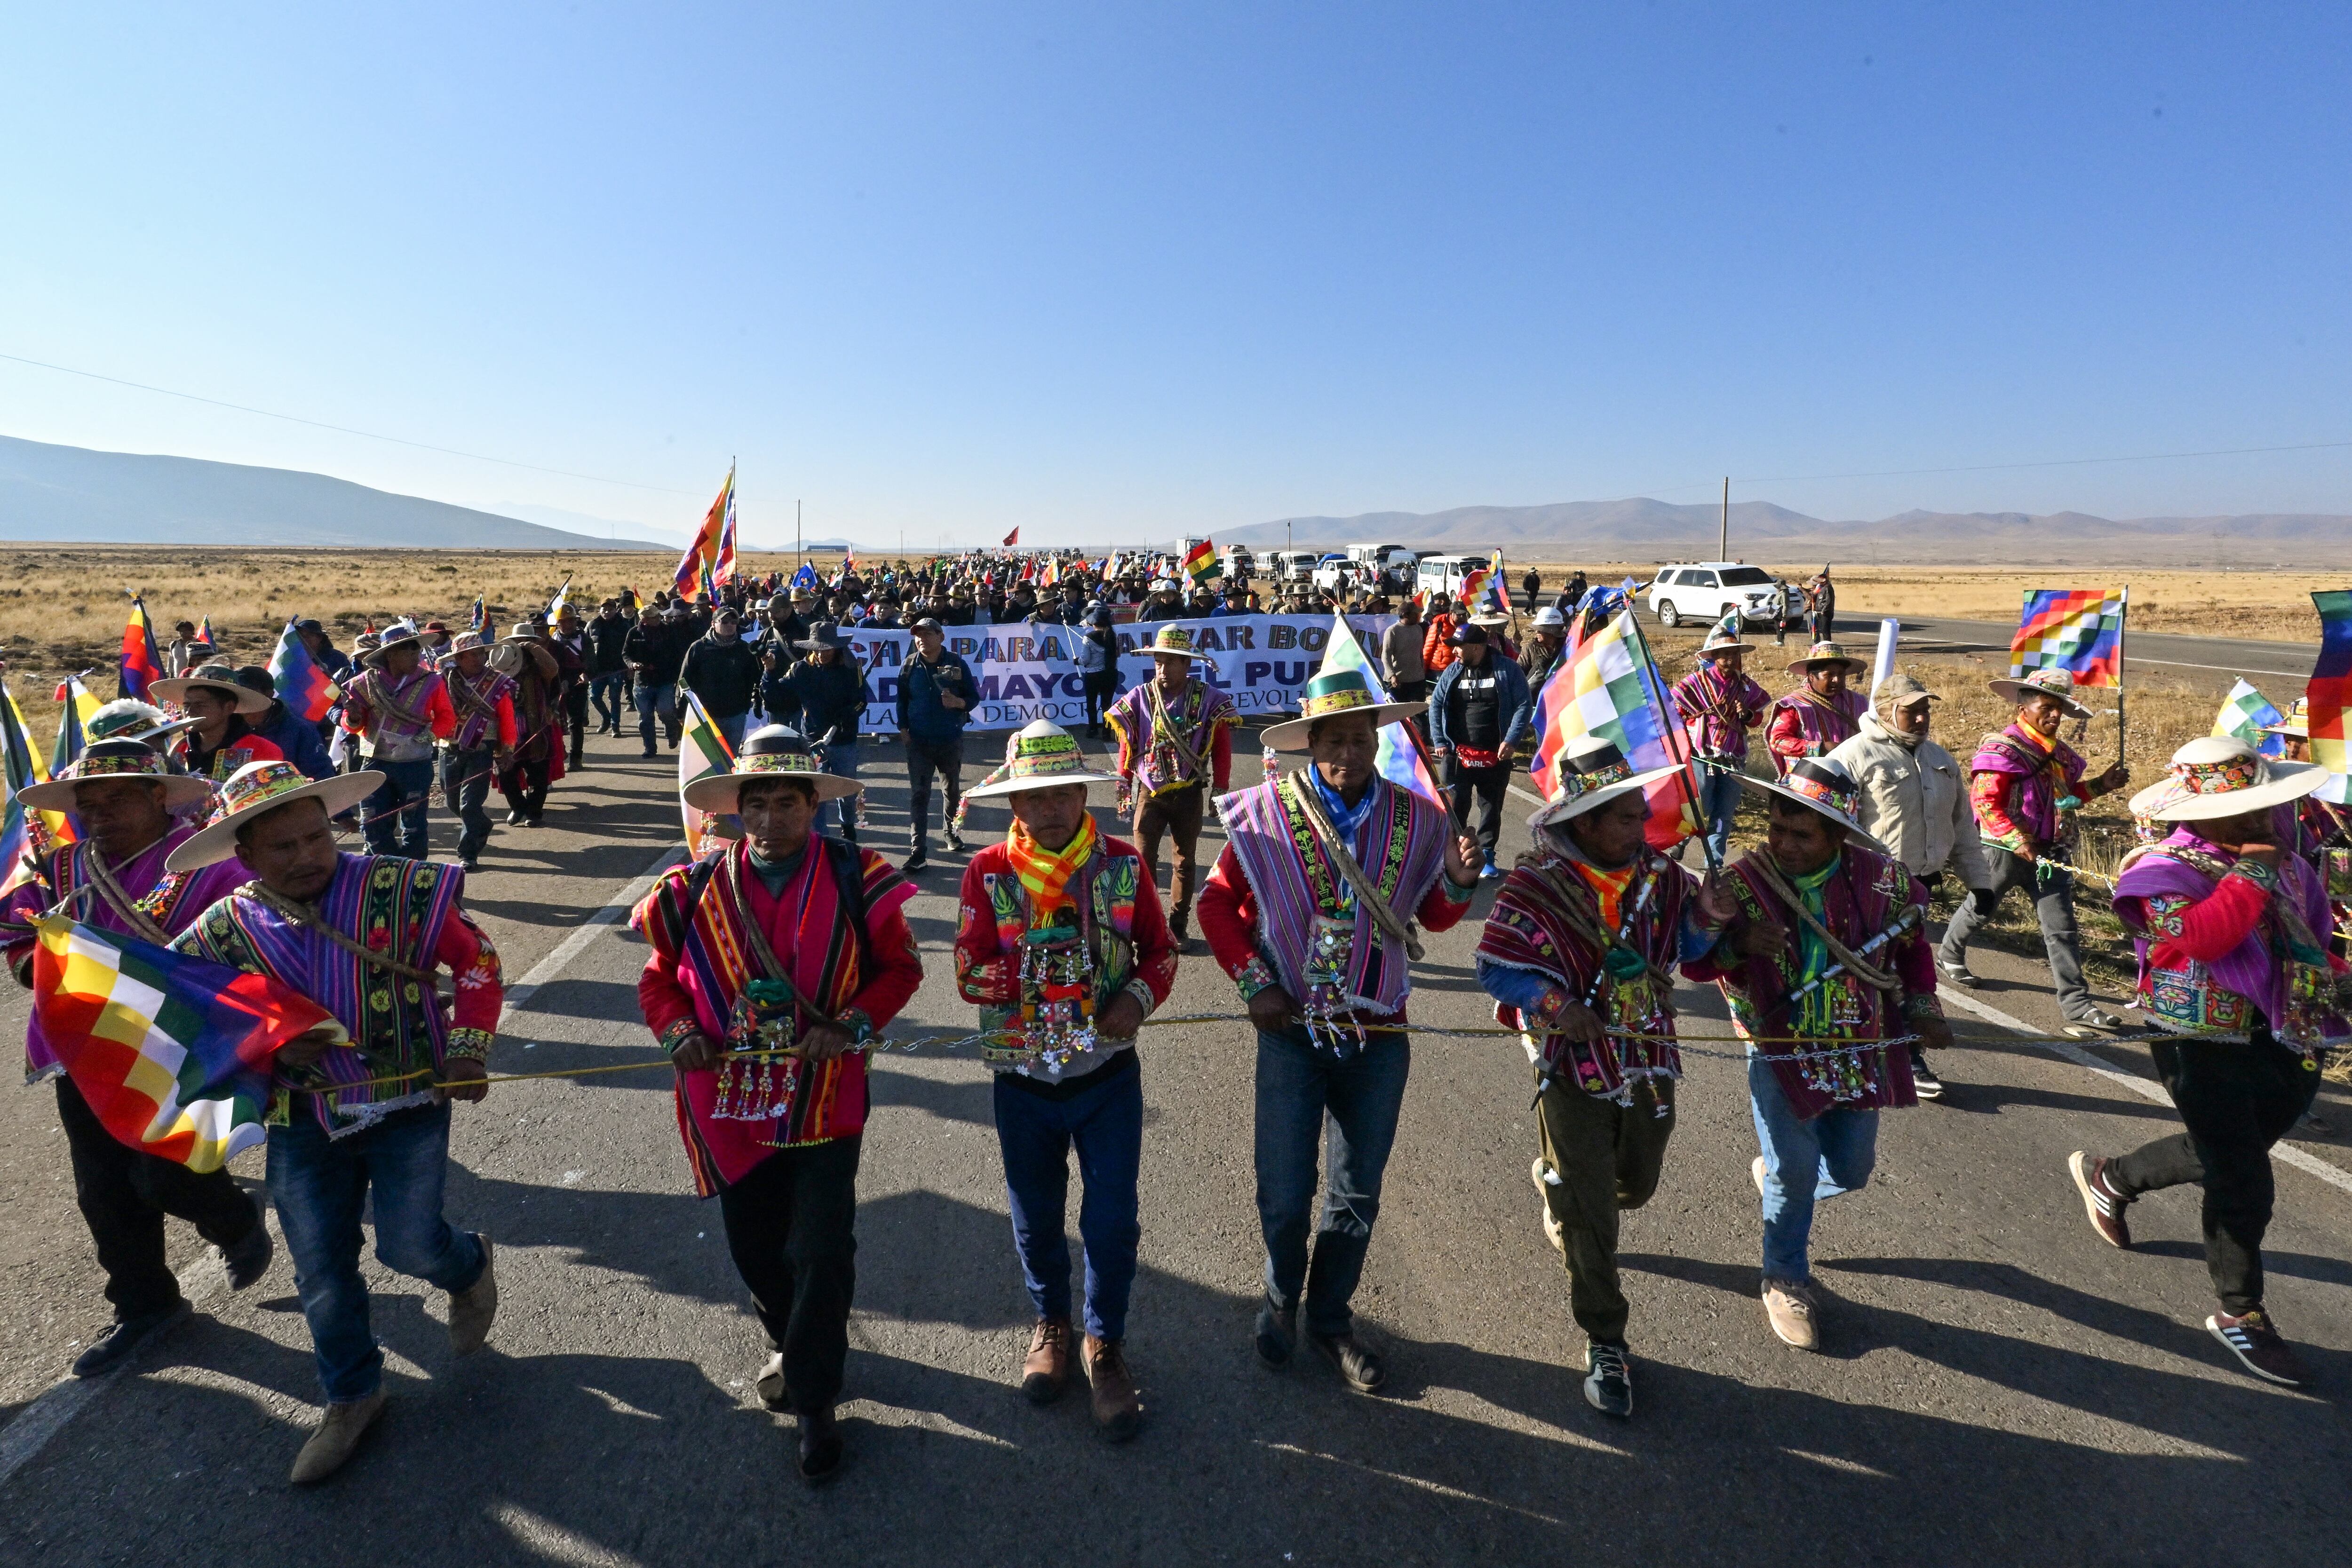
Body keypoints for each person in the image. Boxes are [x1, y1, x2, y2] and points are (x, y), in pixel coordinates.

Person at [166, 760, 504, 1483]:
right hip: (302, 1116)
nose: (307, 857)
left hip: (409, 1100)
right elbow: (198, 1024)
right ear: (245, 857)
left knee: (411, 1248)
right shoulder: (216, 936)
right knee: (321, 1264)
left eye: (316, 837)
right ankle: (352, 1394)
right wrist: (270, 1040)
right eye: (282, 848)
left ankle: (468, 1265)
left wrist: (469, 1050)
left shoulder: (401, 889)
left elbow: (478, 964)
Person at [631, 727, 922, 1482]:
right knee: (757, 1250)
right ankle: (794, 1342)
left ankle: (815, 1400)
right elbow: (658, 982)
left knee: (822, 1246)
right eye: (755, 804)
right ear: (734, 810)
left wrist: (852, 1025)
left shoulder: (860, 875)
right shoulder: (692, 889)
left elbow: (900, 968)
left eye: (786, 803)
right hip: (728, 1100)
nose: (770, 819)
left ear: (813, 805)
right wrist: (680, 1029)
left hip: (825, 1091)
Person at [1200, 671, 1480, 1392]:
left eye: (1361, 739)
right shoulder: (1265, 814)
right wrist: (1253, 981)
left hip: (1379, 1030)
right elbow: (1217, 906)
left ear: (1377, 741)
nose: (1349, 753)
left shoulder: (1420, 817)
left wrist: (1456, 880)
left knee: (1356, 1190)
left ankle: (1329, 1318)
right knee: (1286, 1191)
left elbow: (1438, 918)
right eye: (1334, 740)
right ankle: (1277, 1294)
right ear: (1310, 744)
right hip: (1291, 1025)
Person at [2067, 737, 2347, 1387]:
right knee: (2244, 1178)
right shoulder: (2161, 870)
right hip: (2197, 1039)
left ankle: (2115, 1177)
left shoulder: (2292, 867)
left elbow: (2306, 944)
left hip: (2284, 1029)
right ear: (2196, 811)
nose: (2260, 819)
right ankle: (2240, 1310)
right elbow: (2204, 937)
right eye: (2245, 810)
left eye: (2265, 806)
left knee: (2231, 1148)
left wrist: (2340, 979)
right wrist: (2251, 872)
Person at [1475, 736, 1722, 1418]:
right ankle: (1606, 1338)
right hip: (1569, 1058)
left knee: (1634, 1183)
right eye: (1622, 816)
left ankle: (1566, 1187)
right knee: (1592, 1209)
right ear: (1582, 820)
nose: (1638, 827)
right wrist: (1558, 1005)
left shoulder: (1666, 877)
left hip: (1646, 1050)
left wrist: (1713, 915)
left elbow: (1695, 957)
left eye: (1639, 814)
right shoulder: (1536, 883)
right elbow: (1495, 966)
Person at [1, 744, 267, 1378]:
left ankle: (232, 1219)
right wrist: (38, 959)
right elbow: (17, 939)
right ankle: (144, 1301)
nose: (100, 814)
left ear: (157, 795)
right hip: (86, 1047)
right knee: (103, 1186)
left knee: (165, 1172)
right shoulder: (63, 869)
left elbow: (253, 937)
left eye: (117, 798)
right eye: (88, 804)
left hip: (179, 1042)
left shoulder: (206, 864)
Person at [953, 721, 1177, 1440]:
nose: (1050, 808)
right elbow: (965, 969)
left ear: (1085, 794)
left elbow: (1161, 952)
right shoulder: (987, 871)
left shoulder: (1121, 864)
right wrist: (1036, 975)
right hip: (1022, 1079)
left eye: (1063, 793)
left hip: (1106, 1074)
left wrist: (1131, 1000)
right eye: (1034, 796)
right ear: (1015, 803)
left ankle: (1105, 1343)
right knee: (1035, 1216)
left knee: (1112, 1221)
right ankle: (1051, 1321)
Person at [1935, 666, 2132, 1034]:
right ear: (2024, 708)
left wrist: (2103, 785)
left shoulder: (2062, 756)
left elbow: (2070, 798)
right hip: (2004, 850)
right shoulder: (2002, 751)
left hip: (2052, 852)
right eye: (2047, 706)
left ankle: (2077, 1005)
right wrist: (2017, 840)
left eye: (2061, 708)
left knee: (2062, 929)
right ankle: (1949, 953)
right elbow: (1985, 803)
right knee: (1982, 906)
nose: (2055, 715)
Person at [1824, 671, 1990, 1098]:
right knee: (1875, 972)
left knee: (1905, 970)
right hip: (1866, 887)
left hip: (1920, 888)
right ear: (1884, 712)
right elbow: (1824, 822)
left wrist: (1981, 883)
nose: (1921, 718)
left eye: (1925, 710)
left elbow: (1962, 826)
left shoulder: (1940, 759)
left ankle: (1899, 1050)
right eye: (1911, 710)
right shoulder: (1851, 757)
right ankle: (1892, 1053)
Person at [1107, 626, 1237, 945]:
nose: (1163, 669)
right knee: (1144, 861)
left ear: (1186, 664)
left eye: (1170, 662)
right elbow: (1127, 743)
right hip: (1148, 793)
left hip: (1189, 791)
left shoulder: (1209, 700)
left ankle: (1178, 924)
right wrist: (1124, 785)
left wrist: (1220, 788)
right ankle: (1148, 925)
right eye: (1158, 662)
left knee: (1184, 861)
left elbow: (1222, 746)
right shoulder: (1140, 697)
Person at [1427, 623, 1534, 879]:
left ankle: (1486, 855)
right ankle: (1452, 855)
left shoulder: (1507, 670)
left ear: (1476, 647)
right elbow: (1436, 705)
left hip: (1495, 755)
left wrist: (1511, 740)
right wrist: (1440, 740)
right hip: (1456, 755)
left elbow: (1523, 705)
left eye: (1459, 647)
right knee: (1454, 806)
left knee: (1491, 806)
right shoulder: (1453, 672)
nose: (1455, 653)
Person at [336, 623, 453, 858]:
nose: (414, 655)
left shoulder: (432, 682)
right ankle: (385, 865)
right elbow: (350, 724)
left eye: (416, 650)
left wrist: (430, 735)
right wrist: (354, 716)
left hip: (415, 763)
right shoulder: (362, 684)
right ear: (390, 654)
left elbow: (447, 716)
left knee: (414, 822)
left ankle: (413, 870)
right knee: (372, 820)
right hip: (375, 761)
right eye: (407, 650)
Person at [1671, 624, 1770, 863]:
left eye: (1734, 654)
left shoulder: (1745, 685)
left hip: (1733, 758)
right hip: (1702, 756)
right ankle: (1681, 840)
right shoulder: (1697, 682)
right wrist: (1695, 719)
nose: (1729, 660)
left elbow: (1758, 718)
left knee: (1725, 811)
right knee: (1701, 806)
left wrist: (1745, 714)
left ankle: (1714, 860)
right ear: (1714, 657)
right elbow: (1675, 711)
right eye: (1724, 655)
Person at [765, 622, 872, 844]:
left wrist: (848, 714)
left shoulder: (852, 668)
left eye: (827, 649)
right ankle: (819, 838)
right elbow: (776, 695)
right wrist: (770, 671)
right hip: (813, 740)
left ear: (837, 648)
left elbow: (862, 701)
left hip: (844, 739)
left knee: (847, 788)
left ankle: (848, 825)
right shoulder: (800, 670)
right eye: (817, 649)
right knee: (815, 792)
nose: (822, 653)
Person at [897, 616, 977, 872]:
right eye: (917, 634)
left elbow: (974, 697)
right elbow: (901, 700)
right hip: (918, 743)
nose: (920, 639)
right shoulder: (909, 666)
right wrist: (903, 729)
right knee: (919, 795)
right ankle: (918, 850)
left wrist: (959, 703)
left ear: (941, 637)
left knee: (951, 791)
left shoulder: (957, 664)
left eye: (927, 634)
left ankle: (950, 833)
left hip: (949, 740)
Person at [438, 630, 518, 871]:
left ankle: (468, 853)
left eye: (481, 653)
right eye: (471, 655)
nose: (478, 659)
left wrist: (506, 750)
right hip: (449, 748)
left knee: (469, 805)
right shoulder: (443, 682)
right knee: (452, 803)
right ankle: (482, 825)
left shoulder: (497, 683)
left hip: (481, 749)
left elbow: (507, 718)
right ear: (459, 658)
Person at [152, 662, 285, 783]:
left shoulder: (262, 751)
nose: (189, 712)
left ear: (229, 708)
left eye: (200, 705)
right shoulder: (179, 749)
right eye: (186, 705)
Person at [492, 621, 566, 828]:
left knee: (538, 776)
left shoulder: (539, 668)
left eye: (525, 642)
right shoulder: (501, 664)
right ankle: (518, 807)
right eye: (517, 643)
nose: (521, 646)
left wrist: (533, 648)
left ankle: (534, 812)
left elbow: (554, 669)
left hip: (535, 728)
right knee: (506, 776)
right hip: (506, 733)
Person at [1765, 641, 1868, 780]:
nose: (1837, 680)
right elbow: (1778, 741)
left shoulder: (1858, 702)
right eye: (1829, 675)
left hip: (1852, 778)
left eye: (1841, 675)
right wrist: (1821, 748)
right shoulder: (1795, 706)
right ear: (1812, 677)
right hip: (1807, 781)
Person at [680, 606, 763, 753]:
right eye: (724, 622)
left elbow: (755, 679)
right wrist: (680, 711)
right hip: (706, 716)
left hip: (735, 714)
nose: (730, 626)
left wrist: (753, 703)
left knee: (731, 758)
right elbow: (684, 681)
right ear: (713, 624)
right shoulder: (699, 648)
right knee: (707, 758)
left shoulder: (744, 649)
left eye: (733, 622)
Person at [232, 665, 336, 780]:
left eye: (248, 693)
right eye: (235, 694)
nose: (241, 700)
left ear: (269, 694)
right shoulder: (225, 727)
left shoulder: (300, 730)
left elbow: (321, 775)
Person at [624, 602, 689, 756]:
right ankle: (650, 748)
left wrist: (675, 676)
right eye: (648, 617)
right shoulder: (634, 633)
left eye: (654, 617)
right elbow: (626, 654)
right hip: (642, 683)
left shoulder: (669, 632)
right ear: (643, 619)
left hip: (665, 681)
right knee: (645, 718)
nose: (652, 620)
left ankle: (673, 731)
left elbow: (678, 655)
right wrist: (632, 664)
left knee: (666, 711)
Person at [584, 598, 633, 736]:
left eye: (610, 609)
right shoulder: (592, 625)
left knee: (615, 698)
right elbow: (585, 647)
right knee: (594, 697)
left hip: (617, 668)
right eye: (604, 609)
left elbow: (630, 647)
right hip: (597, 670)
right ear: (600, 610)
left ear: (616, 610)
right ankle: (606, 718)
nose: (607, 612)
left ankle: (615, 727)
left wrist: (630, 667)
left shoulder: (624, 625)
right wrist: (585, 668)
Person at [550, 606, 590, 768]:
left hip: (578, 685)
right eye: (564, 622)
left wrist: (586, 674)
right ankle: (561, 753)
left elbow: (591, 661)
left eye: (571, 621)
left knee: (576, 722)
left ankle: (576, 758)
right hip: (557, 685)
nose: (568, 625)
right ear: (559, 624)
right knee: (556, 722)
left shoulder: (584, 639)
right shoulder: (553, 639)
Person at [1076, 607, 1121, 739]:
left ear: (1094, 623)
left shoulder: (1088, 638)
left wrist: (1077, 661)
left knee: (1091, 703)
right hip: (1111, 674)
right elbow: (1117, 654)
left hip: (1093, 676)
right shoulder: (1113, 636)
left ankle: (1093, 729)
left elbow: (1085, 659)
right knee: (1107, 704)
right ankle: (1107, 732)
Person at [1381, 596, 1428, 705]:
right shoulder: (1393, 631)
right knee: (1400, 715)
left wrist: (1422, 671)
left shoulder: (1418, 629)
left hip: (1417, 680)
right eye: (1415, 614)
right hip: (1398, 682)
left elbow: (1420, 653)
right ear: (1406, 615)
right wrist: (1392, 676)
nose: (1418, 616)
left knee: (1419, 712)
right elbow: (1386, 656)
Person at [1519, 604, 1569, 697]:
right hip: (1536, 700)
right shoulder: (1530, 648)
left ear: (1551, 631)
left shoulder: (1567, 647)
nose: (1536, 632)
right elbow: (1519, 673)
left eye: (1540, 629)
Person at [1805, 566, 1836, 642]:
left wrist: (1823, 611)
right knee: (1823, 629)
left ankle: (1827, 643)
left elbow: (1829, 601)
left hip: (1825, 613)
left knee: (1825, 630)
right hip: (1820, 611)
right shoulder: (1823, 588)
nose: (1819, 582)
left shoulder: (1828, 588)